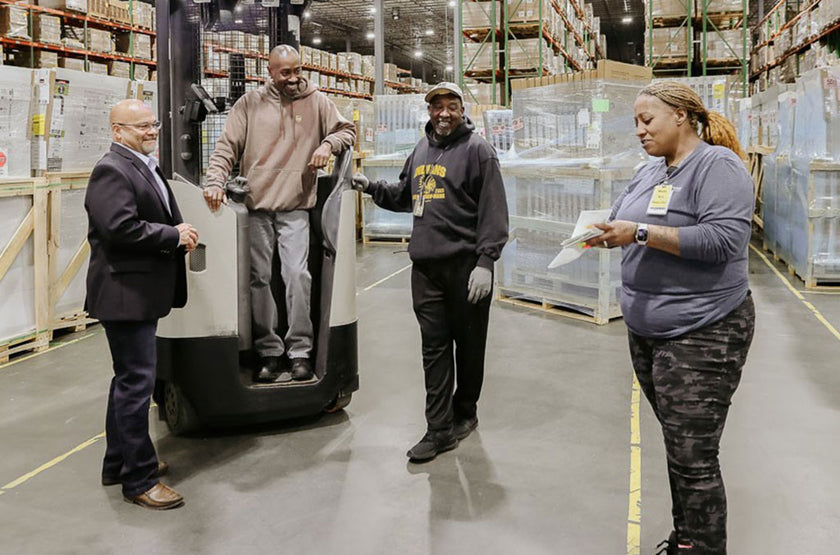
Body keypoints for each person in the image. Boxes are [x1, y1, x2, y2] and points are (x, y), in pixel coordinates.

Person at [585, 82, 755, 554]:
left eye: (647, 120)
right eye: (636, 122)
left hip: (703, 331)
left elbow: (723, 241)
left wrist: (638, 232)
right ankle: (687, 539)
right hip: (649, 332)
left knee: (694, 456)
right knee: (681, 450)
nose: (639, 130)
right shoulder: (651, 171)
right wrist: (599, 231)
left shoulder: (717, 167)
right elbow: (621, 216)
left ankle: (702, 546)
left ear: (681, 115)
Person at [352, 82, 509, 462]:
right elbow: (407, 195)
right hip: (426, 269)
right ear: (429, 111)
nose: (443, 113)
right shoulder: (421, 149)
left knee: (469, 347)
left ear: (462, 110)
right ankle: (439, 429)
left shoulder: (478, 152)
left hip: (465, 268)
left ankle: (466, 411)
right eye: (436, 106)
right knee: (434, 349)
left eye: (450, 106)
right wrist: (371, 186)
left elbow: (493, 211)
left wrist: (486, 262)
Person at [203, 45, 355, 384]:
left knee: (297, 275)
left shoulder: (317, 101)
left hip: (296, 206)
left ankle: (300, 351)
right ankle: (269, 351)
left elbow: (347, 130)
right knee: (258, 280)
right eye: (284, 72)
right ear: (269, 71)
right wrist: (215, 182)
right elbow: (226, 147)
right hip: (257, 208)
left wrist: (327, 144)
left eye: (296, 69)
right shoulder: (250, 104)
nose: (293, 77)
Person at [85, 99, 198, 510]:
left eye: (154, 125)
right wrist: (173, 235)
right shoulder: (111, 170)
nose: (151, 132)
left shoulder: (141, 165)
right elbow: (119, 228)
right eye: (140, 127)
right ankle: (140, 480)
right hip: (124, 294)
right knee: (136, 386)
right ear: (117, 131)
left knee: (127, 381)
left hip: (136, 292)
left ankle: (117, 463)